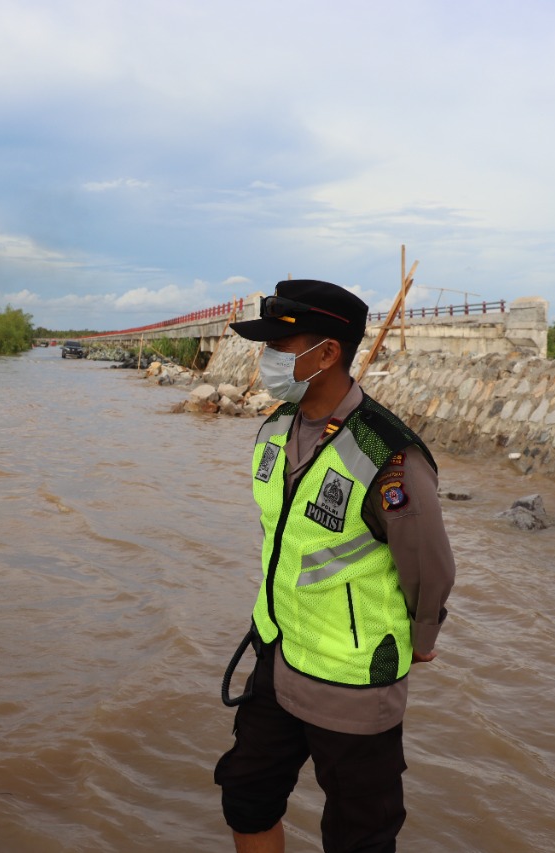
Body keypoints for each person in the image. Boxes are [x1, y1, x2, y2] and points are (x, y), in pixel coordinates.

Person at [214, 279, 455, 853]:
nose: (267, 358)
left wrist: (422, 638)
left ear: (327, 355)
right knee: (247, 795)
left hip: (352, 680)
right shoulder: (274, 428)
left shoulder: (385, 452)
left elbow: (431, 566)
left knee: (359, 835)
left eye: (279, 346)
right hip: (276, 652)